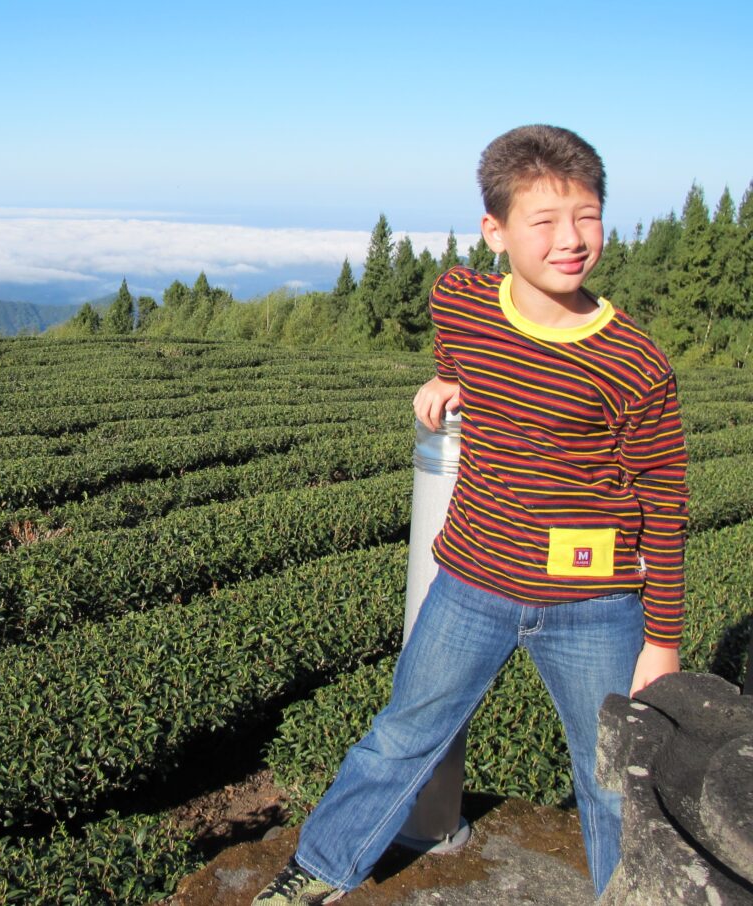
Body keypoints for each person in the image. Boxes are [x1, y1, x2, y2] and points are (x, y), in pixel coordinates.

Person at [252, 124, 689, 905]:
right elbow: (460, 339)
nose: (571, 240)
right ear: (496, 231)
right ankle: (319, 868)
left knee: (615, 780)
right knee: (401, 735)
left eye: (586, 216)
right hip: (474, 583)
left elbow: (665, 501)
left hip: (595, 607)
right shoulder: (460, 299)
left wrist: (662, 640)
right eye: (543, 221)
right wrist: (446, 379)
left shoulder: (634, 362)